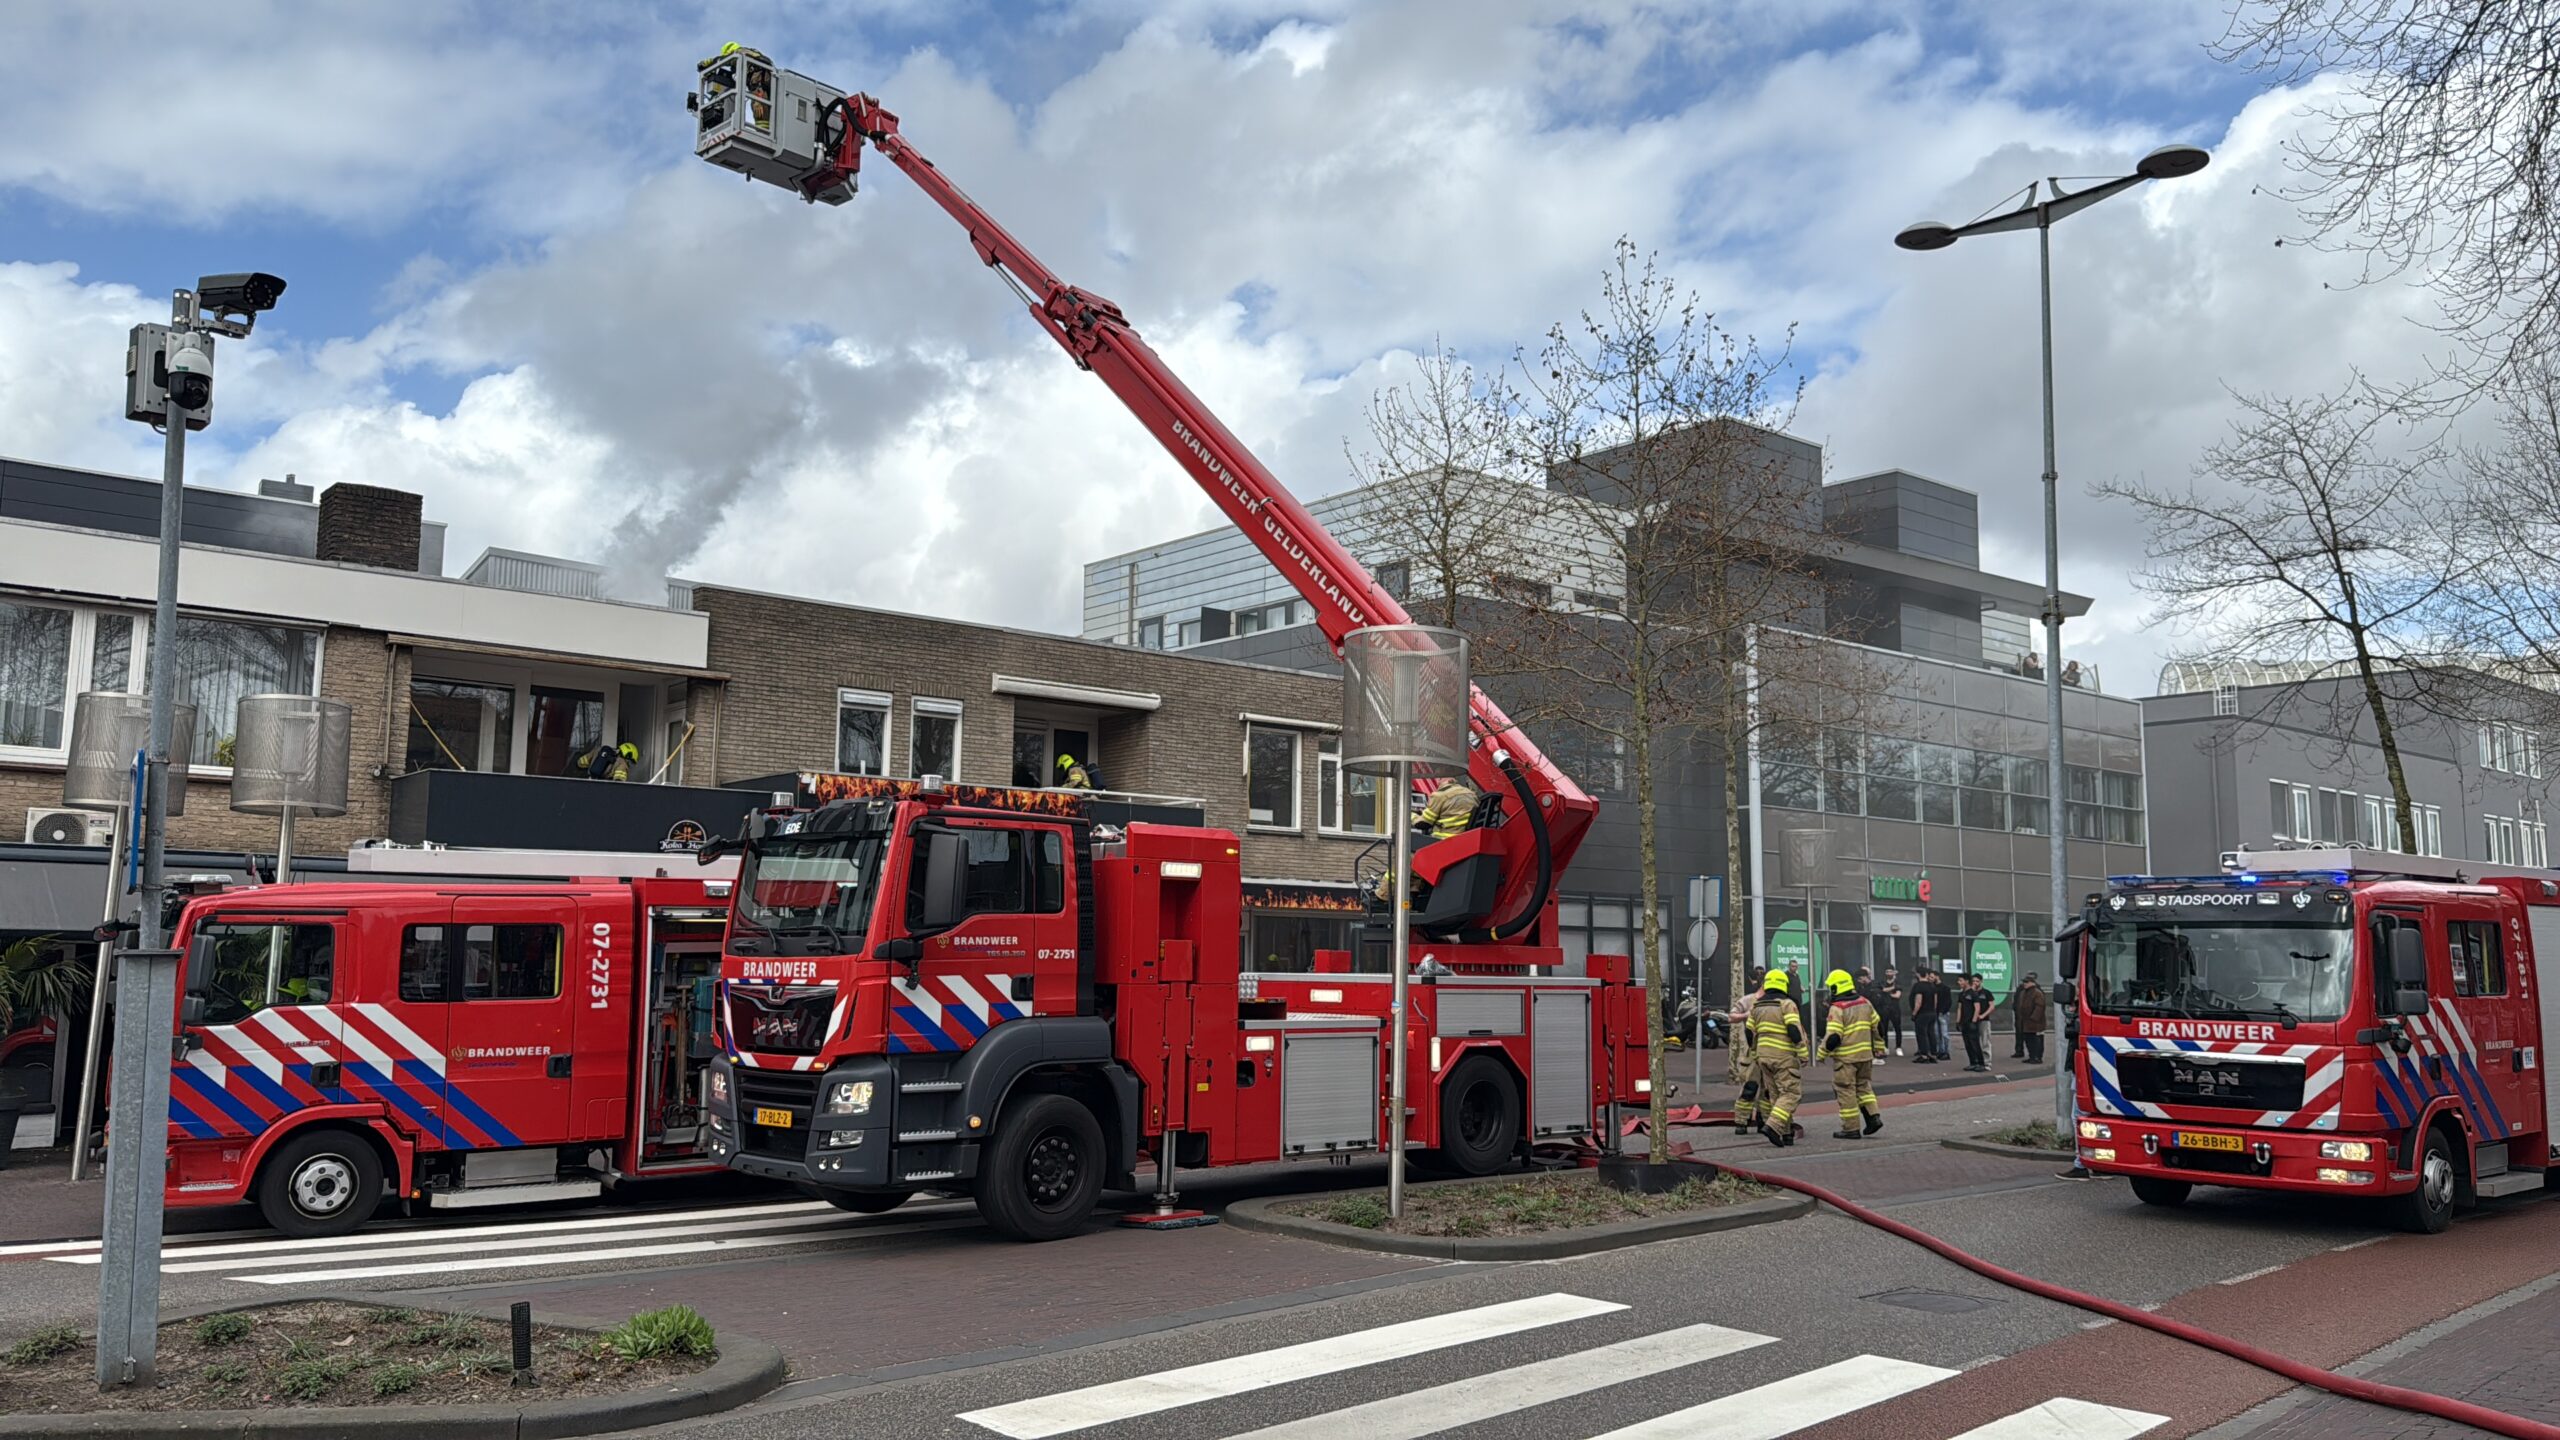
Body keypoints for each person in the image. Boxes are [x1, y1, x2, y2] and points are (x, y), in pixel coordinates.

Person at [1819, 969, 1884, 1138]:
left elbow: (1833, 1036)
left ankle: (1851, 1128)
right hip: (1865, 1056)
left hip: (1846, 1059)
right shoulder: (1865, 1002)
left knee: (1845, 1090)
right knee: (1864, 1087)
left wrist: (1821, 1053)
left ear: (1836, 988)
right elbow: (1877, 1026)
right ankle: (1873, 1118)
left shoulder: (1837, 1008)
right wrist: (1879, 1046)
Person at [1745, 969, 1806, 1148]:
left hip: (1763, 1057)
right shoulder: (1787, 1004)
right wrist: (1802, 1052)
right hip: (1784, 1057)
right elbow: (1794, 1030)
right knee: (1791, 1093)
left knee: (1776, 1095)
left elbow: (1749, 1031)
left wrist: (1755, 1051)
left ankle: (1786, 1134)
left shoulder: (1757, 1005)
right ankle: (1773, 1127)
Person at [1727, 995, 1760, 1135]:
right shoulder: (1749, 1000)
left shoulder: (1781, 1002)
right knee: (1750, 1087)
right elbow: (1731, 1017)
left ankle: (1763, 1120)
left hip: (1769, 1053)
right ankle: (1741, 1121)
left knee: (1768, 1091)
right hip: (1753, 1053)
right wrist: (1746, 1014)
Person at [1909, 966, 1950, 1063]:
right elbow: (1935, 1002)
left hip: (1922, 1013)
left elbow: (1918, 1001)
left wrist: (1914, 1013)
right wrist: (1933, 1011)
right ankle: (1933, 1053)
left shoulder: (1918, 986)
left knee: (1922, 1034)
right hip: (1932, 1013)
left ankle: (1924, 1055)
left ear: (1918, 974)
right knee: (1931, 1033)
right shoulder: (1932, 986)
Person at [1956, 973, 1994, 1072]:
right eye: (1974, 981)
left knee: (1982, 1042)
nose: (1975, 983)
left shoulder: (1983, 993)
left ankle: (1985, 1063)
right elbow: (1960, 1008)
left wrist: (1976, 1019)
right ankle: (1973, 1062)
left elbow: (1983, 1007)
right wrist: (1958, 1021)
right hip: (1967, 1022)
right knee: (1968, 1043)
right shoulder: (1963, 994)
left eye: (1977, 981)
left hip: (1981, 1021)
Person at [2015, 973, 2049, 1065]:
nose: (2024, 984)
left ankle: (2037, 1057)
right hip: (2025, 1022)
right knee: (2028, 1040)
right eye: (2024, 982)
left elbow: (2040, 1007)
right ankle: (2031, 1056)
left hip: (2036, 1023)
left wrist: (2033, 1018)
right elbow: (2019, 1005)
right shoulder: (2022, 993)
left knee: (2036, 1040)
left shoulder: (2037, 993)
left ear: (2032, 982)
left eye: (2026, 982)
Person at [1876, 970, 1906, 1058]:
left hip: (1895, 1009)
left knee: (1897, 1028)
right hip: (1884, 1009)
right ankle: (1885, 1047)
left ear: (1894, 973)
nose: (1889, 973)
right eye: (1887, 972)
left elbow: (1897, 995)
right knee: (1884, 1029)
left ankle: (1898, 1047)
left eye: (1891, 972)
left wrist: (1886, 993)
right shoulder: (1882, 982)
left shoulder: (1898, 982)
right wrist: (1893, 988)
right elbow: (1882, 990)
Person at [575, 740, 639, 781]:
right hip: (602, 788)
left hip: (588, 781)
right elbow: (619, 783)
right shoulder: (622, 763)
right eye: (630, 762)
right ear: (628, 755)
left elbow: (580, 763)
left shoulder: (598, 750)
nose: (629, 764)